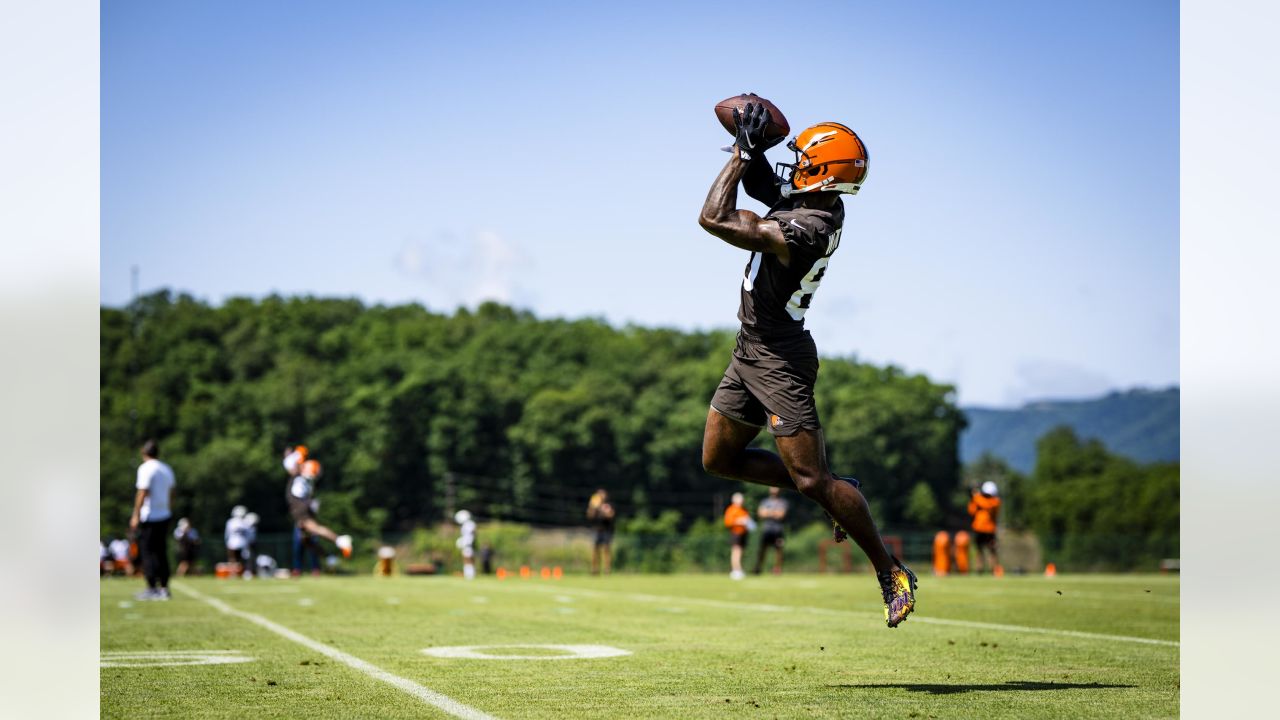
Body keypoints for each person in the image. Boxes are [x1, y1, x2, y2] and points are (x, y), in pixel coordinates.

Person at [697, 98, 917, 626]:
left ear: (822, 172)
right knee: (718, 460)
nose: (792, 165)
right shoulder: (812, 199)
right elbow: (759, 188)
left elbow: (714, 218)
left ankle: (889, 571)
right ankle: (834, 484)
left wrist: (743, 153)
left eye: (801, 159)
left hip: (780, 360)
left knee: (813, 483)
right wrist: (748, 151)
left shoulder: (811, 225)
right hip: (749, 348)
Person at [129, 439, 175, 601]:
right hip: (165, 514)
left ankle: (151, 588)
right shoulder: (166, 469)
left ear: (144, 453)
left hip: (150, 515)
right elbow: (171, 494)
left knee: (148, 551)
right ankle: (164, 587)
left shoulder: (146, 468)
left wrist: (136, 514)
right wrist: (168, 510)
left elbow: (142, 492)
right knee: (161, 551)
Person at [285, 458, 353, 560]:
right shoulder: (306, 480)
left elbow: (291, 466)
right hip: (302, 506)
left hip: (299, 507)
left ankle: (340, 540)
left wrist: (297, 457)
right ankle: (329, 558)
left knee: (314, 528)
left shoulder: (301, 476)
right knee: (305, 539)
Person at [968, 481, 1002, 574]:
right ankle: (979, 569)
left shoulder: (993, 502)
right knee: (980, 550)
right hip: (980, 529)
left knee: (991, 550)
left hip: (988, 529)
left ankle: (993, 569)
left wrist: (975, 495)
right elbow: (971, 511)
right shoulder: (981, 500)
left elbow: (984, 504)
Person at [754, 487, 789, 575]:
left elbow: (781, 515)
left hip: (778, 530)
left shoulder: (783, 502)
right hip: (766, 529)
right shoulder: (765, 501)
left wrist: (768, 512)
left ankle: (777, 569)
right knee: (762, 549)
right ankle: (758, 567)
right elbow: (760, 514)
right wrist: (774, 513)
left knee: (778, 550)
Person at [723, 492, 754, 580]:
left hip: (743, 533)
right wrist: (738, 521)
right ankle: (735, 570)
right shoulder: (731, 509)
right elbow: (728, 522)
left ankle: (739, 569)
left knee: (741, 552)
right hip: (735, 533)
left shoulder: (743, 510)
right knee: (736, 552)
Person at [586, 489, 616, 575]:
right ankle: (595, 569)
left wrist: (601, 510)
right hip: (597, 530)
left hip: (607, 530)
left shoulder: (609, 505)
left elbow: (611, 515)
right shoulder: (594, 505)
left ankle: (607, 570)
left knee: (606, 550)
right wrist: (592, 508)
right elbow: (589, 516)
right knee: (595, 550)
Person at [224, 505, 250, 574]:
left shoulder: (230, 522)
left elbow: (227, 534)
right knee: (241, 560)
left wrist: (226, 542)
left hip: (232, 543)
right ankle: (241, 572)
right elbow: (248, 535)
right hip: (242, 543)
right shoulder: (245, 522)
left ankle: (233, 573)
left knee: (232, 559)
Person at [455, 510, 477, 580]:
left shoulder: (469, 524)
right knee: (467, 559)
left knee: (468, 559)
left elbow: (472, 534)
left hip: (468, 545)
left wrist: (464, 542)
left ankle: (469, 575)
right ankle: (468, 574)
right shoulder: (468, 524)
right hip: (467, 544)